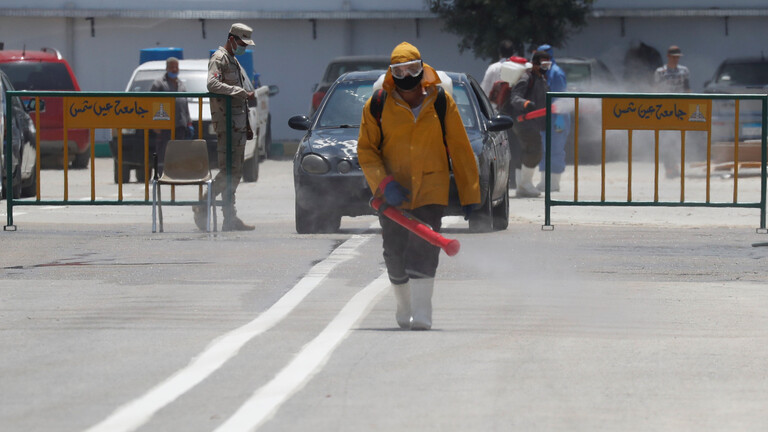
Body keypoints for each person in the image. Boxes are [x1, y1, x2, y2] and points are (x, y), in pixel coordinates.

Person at [357, 42, 480, 330]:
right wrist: (384, 183)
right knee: (394, 253)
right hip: (392, 193)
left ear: (422, 69)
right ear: (391, 73)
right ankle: (404, 305)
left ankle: (423, 311)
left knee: (425, 249)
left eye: (412, 69)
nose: (407, 76)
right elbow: (366, 150)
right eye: (399, 71)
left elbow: (460, 149)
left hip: (430, 189)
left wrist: (471, 193)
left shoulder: (440, 101)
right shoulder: (377, 104)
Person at [193, 23, 256, 231]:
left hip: (238, 125)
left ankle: (230, 218)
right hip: (226, 125)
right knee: (228, 171)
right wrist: (238, 91)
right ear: (231, 39)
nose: (243, 47)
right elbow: (212, 84)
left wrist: (247, 125)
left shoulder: (233, 60)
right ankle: (203, 204)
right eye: (241, 43)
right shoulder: (219, 59)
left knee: (235, 173)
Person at [501, 50, 551, 198]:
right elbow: (515, 98)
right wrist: (526, 104)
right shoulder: (526, 78)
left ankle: (522, 184)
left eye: (548, 64)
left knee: (525, 151)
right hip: (523, 121)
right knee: (534, 150)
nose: (546, 67)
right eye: (543, 64)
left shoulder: (541, 79)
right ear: (534, 64)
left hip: (533, 122)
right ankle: (525, 185)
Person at [535, 44, 569, 192]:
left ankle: (554, 183)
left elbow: (561, 99)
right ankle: (544, 181)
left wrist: (560, 119)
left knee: (555, 148)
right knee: (544, 148)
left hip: (558, 118)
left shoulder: (556, 73)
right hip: (545, 118)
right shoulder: (544, 72)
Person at [150, 57, 192, 175]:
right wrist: (154, 124)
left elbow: (184, 103)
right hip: (164, 125)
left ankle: (176, 174)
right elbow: (151, 103)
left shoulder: (181, 84)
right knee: (163, 151)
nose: (174, 69)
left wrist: (188, 122)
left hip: (180, 124)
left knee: (178, 151)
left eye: (176, 67)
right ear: (167, 68)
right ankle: (162, 174)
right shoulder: (159, 84)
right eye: (172, 67)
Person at [654, 45, 691, 178]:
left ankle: (675, 164)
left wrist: (688, 106)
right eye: (674, 57)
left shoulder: (684, 71)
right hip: (665, 109)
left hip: (680, 109)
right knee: (665, 140)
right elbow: (656, 90)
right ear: (668, 57)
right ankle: (668, 167)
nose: (676, 59)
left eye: (678, 57)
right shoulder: (660, 72)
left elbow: (687, 89)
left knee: (677, 139)